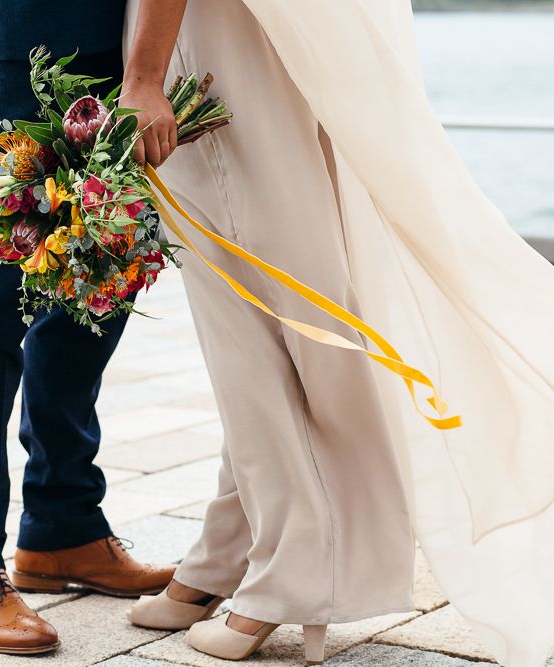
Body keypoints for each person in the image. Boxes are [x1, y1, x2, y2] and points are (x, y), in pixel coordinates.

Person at [122, 1, 554, 666]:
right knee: (288, 293)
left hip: (213, 36)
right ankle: (227, 551)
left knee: (251, 311)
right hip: (276, 38)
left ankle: (294, 571)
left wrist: (145, 76)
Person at [0, 0, 175, 655]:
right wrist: (143, 77)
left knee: (104, 275)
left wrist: (144, 72)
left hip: (128, 41)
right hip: (38, 33)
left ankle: (62, 523)